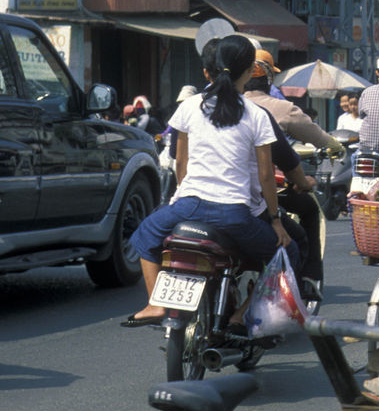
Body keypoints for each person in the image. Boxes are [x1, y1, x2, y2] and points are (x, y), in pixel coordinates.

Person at [124, 34, 299, 327]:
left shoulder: (190, 106)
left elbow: (182, 162)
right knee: (289, 252)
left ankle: (156, 302)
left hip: (188, 206)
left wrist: (181, 195)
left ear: (209, 71)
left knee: (144, 236)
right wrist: (275, 219)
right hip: (235, 215)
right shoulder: (256, 114)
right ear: (249, 72)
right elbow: (267, 175)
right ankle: (242, 314)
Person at [244, 48, 341, 298]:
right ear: (269, 79)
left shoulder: (218, 107)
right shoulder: (275, 111)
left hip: (218, 193)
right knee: (308, 210)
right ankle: (306, 280)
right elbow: (320, 140)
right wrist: (336, 147)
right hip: (266, 191)